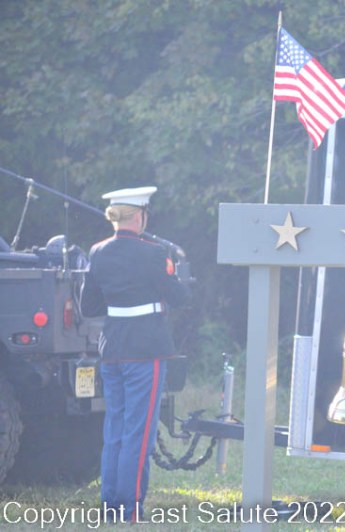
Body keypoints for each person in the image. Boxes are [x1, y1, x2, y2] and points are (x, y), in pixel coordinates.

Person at [80, 186, 190, 522]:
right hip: (145, 350)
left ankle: (110, 504)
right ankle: (130, 508)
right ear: (140, 216)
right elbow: (181, 298)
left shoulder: (97, 252)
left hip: (113, 348)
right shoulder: (155, 253)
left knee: (115, 428)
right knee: (138, 433)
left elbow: (89, 307)